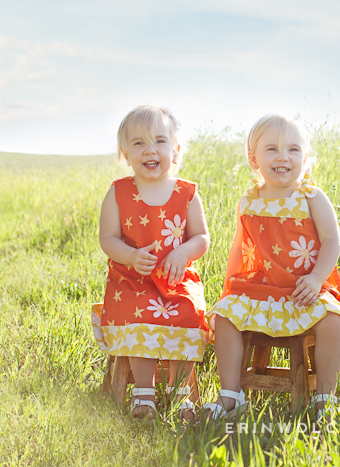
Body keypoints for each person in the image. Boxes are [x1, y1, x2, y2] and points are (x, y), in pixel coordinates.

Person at [204, 113, 340, 421]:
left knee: (331, 319)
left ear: (306, 157)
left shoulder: (311, 197)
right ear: (253, 158)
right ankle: (231, 395)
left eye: (293, 150)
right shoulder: (249, 201)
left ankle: (325, 398)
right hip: (262, 288)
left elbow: (332, 243)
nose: (283, 157)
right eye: (271, 149)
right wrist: (229, 289)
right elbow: (239, 247)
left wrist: (315, 278)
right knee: (225, 316)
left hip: (305, 288)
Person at [92, 105, 210, 422]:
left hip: (175, 279)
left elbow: (201, 237)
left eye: (159, 141)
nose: (150, 150)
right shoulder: (119, 192)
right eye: (139, 143)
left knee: (185, 312)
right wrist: (130, 256)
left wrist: (182, 253)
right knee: (138, 311)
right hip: (132, 280)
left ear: (176, 148)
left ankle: (180, 389)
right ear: (125, 153)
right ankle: (144, 389)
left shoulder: (186, 193)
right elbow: (108, 238)